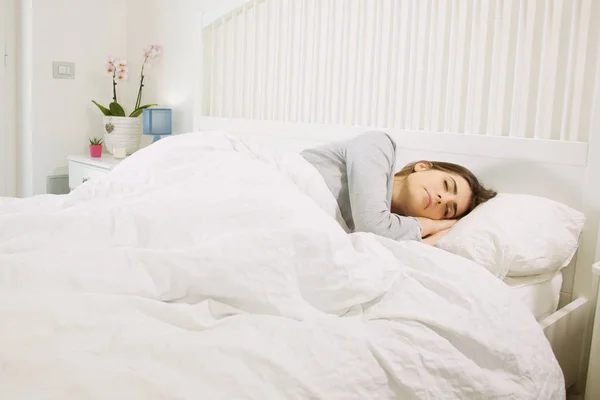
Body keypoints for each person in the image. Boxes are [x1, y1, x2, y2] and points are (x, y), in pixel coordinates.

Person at [301, 131, 497, 244]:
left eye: (447, 210)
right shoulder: (379, 145)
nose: (441, 198)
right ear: (423, 166)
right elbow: (373, 227)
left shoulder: (394, 235)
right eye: (446, 185)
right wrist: (435, 225)